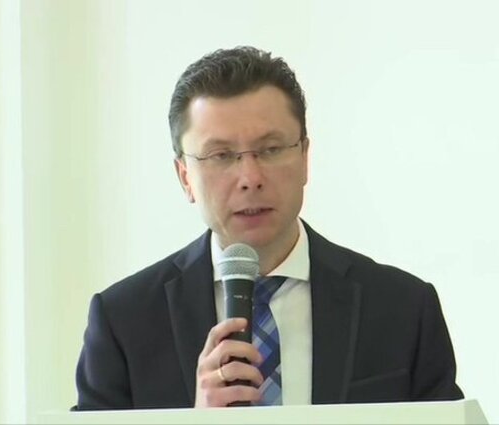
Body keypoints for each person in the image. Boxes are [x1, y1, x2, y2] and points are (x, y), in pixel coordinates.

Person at [75, 46, 463, 409]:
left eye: (271, 149)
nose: (250, 178)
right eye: (221, 155)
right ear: (185, 177)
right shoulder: (124, 322)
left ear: (305, 157)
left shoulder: (403, 309)